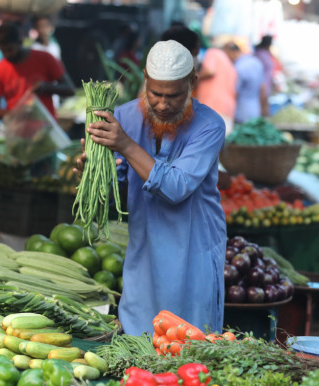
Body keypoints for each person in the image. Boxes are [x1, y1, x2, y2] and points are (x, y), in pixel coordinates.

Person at [75, 40, 227, 336]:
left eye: (174, 95)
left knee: (191, 340)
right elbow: (116, 189)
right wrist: (90, 175)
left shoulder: (210, 125)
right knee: (139, 335)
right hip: (144, 248)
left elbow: (176, 187)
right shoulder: (125, 117)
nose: (162, 104)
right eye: (155, 93)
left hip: (193, 248)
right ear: (145, 78)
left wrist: (126, 145)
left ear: (192, 83)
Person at [0, 22, 73, 120]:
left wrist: (45, 87)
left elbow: (70, 89)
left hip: (46, 125)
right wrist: (17, 114)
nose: (7, 55)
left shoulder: (45, 58)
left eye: (10, 50)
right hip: (18, 130)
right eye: (3, 51)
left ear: (20, 42)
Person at [195, 38, 237, 135]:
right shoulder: (230, 65)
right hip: (227, 110)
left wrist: (193, 79)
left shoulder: (213, 52)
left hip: (212, 107)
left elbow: (210, 71)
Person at [224, 42, 267, 123]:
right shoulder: (257, 62)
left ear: (232, 53)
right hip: (255, 110)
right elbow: (262, 88)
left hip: (241, 112)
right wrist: (264, 109)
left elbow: (235, 93)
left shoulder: (237, 68)